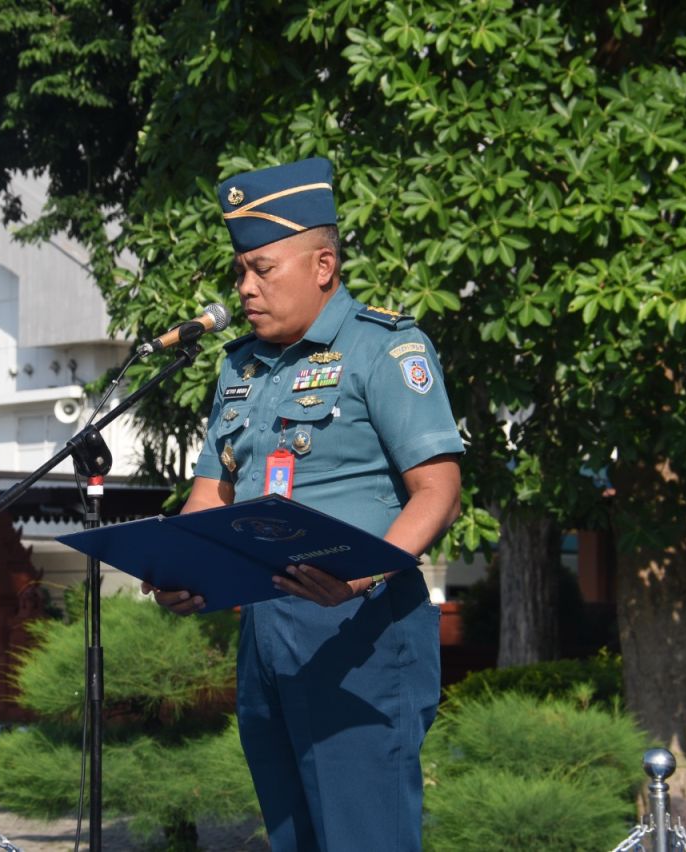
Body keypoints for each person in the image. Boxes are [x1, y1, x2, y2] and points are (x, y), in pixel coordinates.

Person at [143, 157, 464, 851]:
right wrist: (180, 566)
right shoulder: (239, 367)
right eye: (240, 271)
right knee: (293, 837)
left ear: (323, 266)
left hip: (360, 629)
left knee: (363, 837)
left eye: (263, 268)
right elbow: (211, 492)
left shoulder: (385, 348)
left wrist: (365, 572)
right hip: (266, 633)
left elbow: (438, 491)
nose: (245, 287)